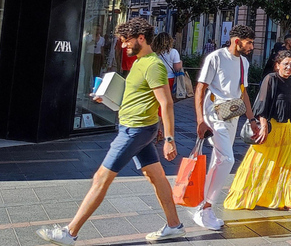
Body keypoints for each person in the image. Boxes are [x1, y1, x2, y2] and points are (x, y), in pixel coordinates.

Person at [37, 18, 184, 245]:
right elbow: (134, 96)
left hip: (135, 131)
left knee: (100, 179)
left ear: (141, 38)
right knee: (156, 175)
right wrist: (105, 97)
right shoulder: (139, 62)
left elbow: (166, 103)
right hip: (136, 128)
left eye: (126, 41)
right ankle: (174, 225)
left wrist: (170, 139)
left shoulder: (153, 65)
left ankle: (70, 232)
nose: (123, 46)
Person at [193, 25, 257, 230]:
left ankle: (203, 206)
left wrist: (252, 119)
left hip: (232, 114)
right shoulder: (216, 57)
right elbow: (200, 88)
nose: (252, 46)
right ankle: (206, 206)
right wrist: (200, 120)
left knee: (219, 159)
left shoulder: (243, 63)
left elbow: (243, 92)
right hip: (213, 113)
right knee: (227, 159)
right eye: (249, 42)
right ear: (236, 41)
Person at [224, 50, 291, 212]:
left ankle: (287, 199)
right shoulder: (270, 79)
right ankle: (243, 198)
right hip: (270, 127)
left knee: (286, 165)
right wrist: (263, 125)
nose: (289, 67)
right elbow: (262, 103)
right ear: (277, 65)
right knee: (258, 162)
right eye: (285, 64)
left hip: (286, 128)